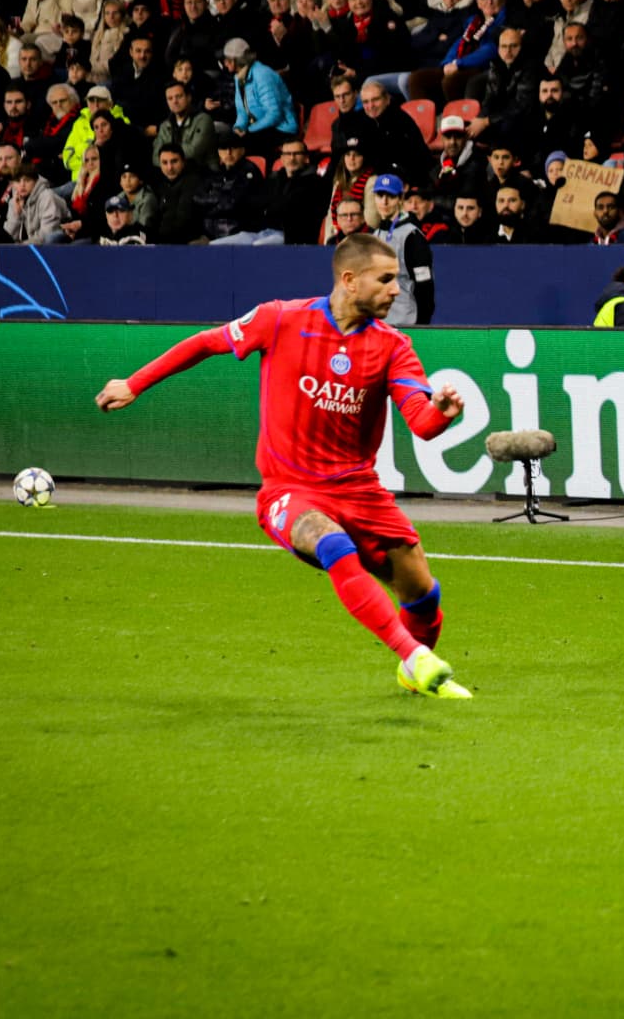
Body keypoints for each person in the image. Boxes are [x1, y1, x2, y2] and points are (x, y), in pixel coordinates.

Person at [95, 232, 471, 700]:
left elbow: (421, 423)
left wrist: (443, 413)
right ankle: (412, 655)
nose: (397, 289)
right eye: (387, 279)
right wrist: (135, 382)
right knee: (332, 545)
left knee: (423, 594)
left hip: (360, 490)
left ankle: (413, 676)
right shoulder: (280, 319)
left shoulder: (394, 346)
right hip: (290, 490)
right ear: (350, 280)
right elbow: (205, 343)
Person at [370, 173, 435, 326]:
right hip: (380, 323)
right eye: (380, 195)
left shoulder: (412, 236)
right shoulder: (376, 234)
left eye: (390, 197)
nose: (384, 202)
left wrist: (422, 324)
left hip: (406, 322)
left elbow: (425, 286)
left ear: (400, 199)